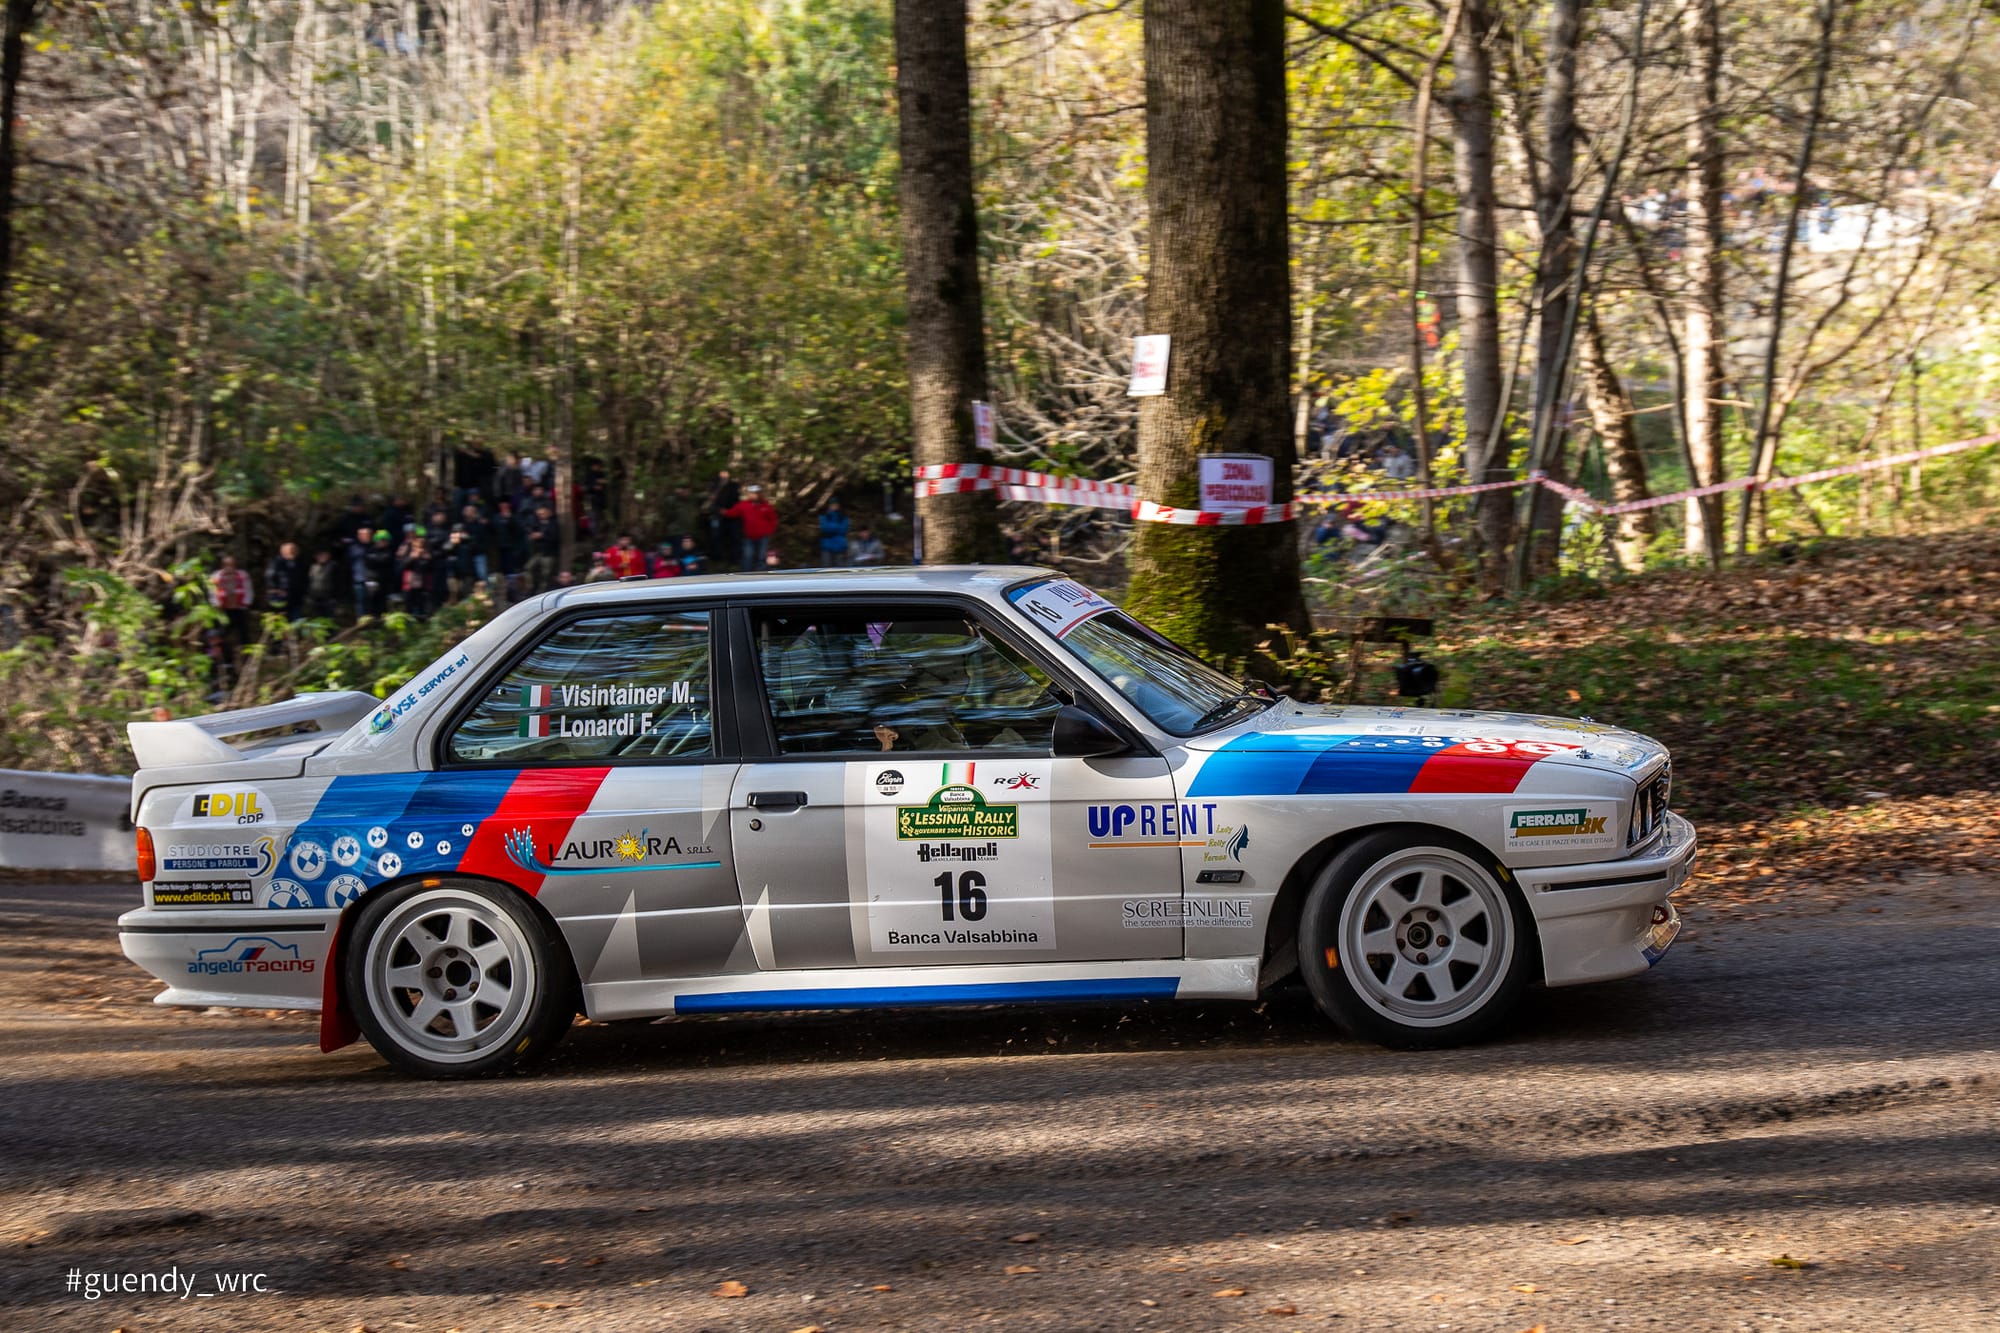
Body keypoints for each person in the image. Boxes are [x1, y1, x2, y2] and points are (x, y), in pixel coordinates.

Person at [723, 484, 779, 571]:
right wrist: (722, 511)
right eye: (752, 493)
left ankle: (760, 574)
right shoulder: (743, 505)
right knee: (747, 556)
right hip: (749, 536)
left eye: (756, 493)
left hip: (763, 536)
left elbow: (773, 519)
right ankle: (746, 574)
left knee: (761, 556)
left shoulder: (766, 506)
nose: (754, 495)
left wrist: (769, 531)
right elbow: (732, 513)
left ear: (759, 494)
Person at [210, 555, 254, 654]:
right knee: (221, 634)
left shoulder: (242, 575)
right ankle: (223, 657)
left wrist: (246, 604)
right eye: (227, 564)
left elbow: (248, 590)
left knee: (243, 634)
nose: (229, 566)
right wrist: (216, 604)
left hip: (239, 609)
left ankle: (247, 655)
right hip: (222, 610)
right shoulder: (216, 576)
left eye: (231, 564)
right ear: (222, 565)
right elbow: (212, 591)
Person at [263, 541, 308, 621]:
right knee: (281, 620)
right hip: (281, 598)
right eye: (290, 551)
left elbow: (304, 579)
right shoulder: (276, 563)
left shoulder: (300, 563)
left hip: (297, 598)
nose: (293, 552)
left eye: (294, 550)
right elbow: (270, 578)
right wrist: (277, 590)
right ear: (283, 552)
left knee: (296, 621)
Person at [704, 469, 741, 564]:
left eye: (726, 473)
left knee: (734, 538)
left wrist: (731, 511)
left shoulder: (734, 485)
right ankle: (717, 559)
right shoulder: (714, 486)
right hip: (718, 516)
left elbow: (737, 501)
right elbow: (710, 501)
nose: (724, 475)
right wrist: (717, 510)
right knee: (715, 537)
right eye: (722, 473)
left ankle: (734, 560)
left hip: (732, 516)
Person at [524, 504, 560, 593]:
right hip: (538, 552)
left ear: (548, 513)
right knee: (528, 568)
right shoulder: (536, 523)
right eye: (539, 514)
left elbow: (555, 537)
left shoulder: (553, 523)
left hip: (549, 553)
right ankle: (530, 588)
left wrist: (542, 536)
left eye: (543, 513)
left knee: (546, 574)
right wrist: (533, 537)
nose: (541, 515)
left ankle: (542, 591)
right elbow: (529, 533)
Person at [399, 534, 436, 619]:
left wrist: (425, 558)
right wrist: (412, 558)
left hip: (423, 585)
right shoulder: (408, 554)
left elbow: (430, 568)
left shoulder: (427, 555)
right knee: (409, 605)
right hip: (409, 584)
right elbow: (402, 567)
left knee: (422, 605)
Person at [363, 531, 397, 617]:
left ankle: (380, 622)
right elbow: (367, 561)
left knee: (383, 604)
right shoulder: (370, 550)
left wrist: (375, 559)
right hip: (372, 580)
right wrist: (377, 560)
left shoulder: (390, 551)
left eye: (385, 540)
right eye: (381, 540)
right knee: (370, 602)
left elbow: (385, 560)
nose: (383, 542)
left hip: (385, 582)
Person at [306, 548, 341, 619]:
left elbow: (339, 583)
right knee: (317, 618)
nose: (322, 557)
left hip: (329, 598)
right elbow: (308, 581)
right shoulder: (312, 566)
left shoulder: (334, 566)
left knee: (329, 618)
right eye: (319, 555)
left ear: (329, 555)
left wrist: (336, 597)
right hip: (315, 598)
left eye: (324, 555)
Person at [817, 500, 850, 567]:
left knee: (840, 569)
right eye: (832, 505)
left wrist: (831, 527)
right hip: (827, 546)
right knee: (826, 569)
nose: (834, 506)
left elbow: (844, 529)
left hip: (840, 546)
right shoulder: (824, 516)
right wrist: (837, 527)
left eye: (836, 505)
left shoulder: (843, 517)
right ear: (829, 506)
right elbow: (824, 528)